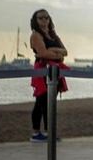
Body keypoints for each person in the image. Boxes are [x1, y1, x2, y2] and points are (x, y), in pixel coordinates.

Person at [28, 9, 68, 142]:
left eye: (46, 18)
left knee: (47, 102)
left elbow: (65, 51)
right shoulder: (36, 35)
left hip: (55, 70)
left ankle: (43, 133)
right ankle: (42, 132)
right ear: (35, 20)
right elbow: (43, 54)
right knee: (43, 102)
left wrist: (52, 51)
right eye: (40, 18)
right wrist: (57, 54)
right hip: (43, 70)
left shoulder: (53, 35)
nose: (44, 20)